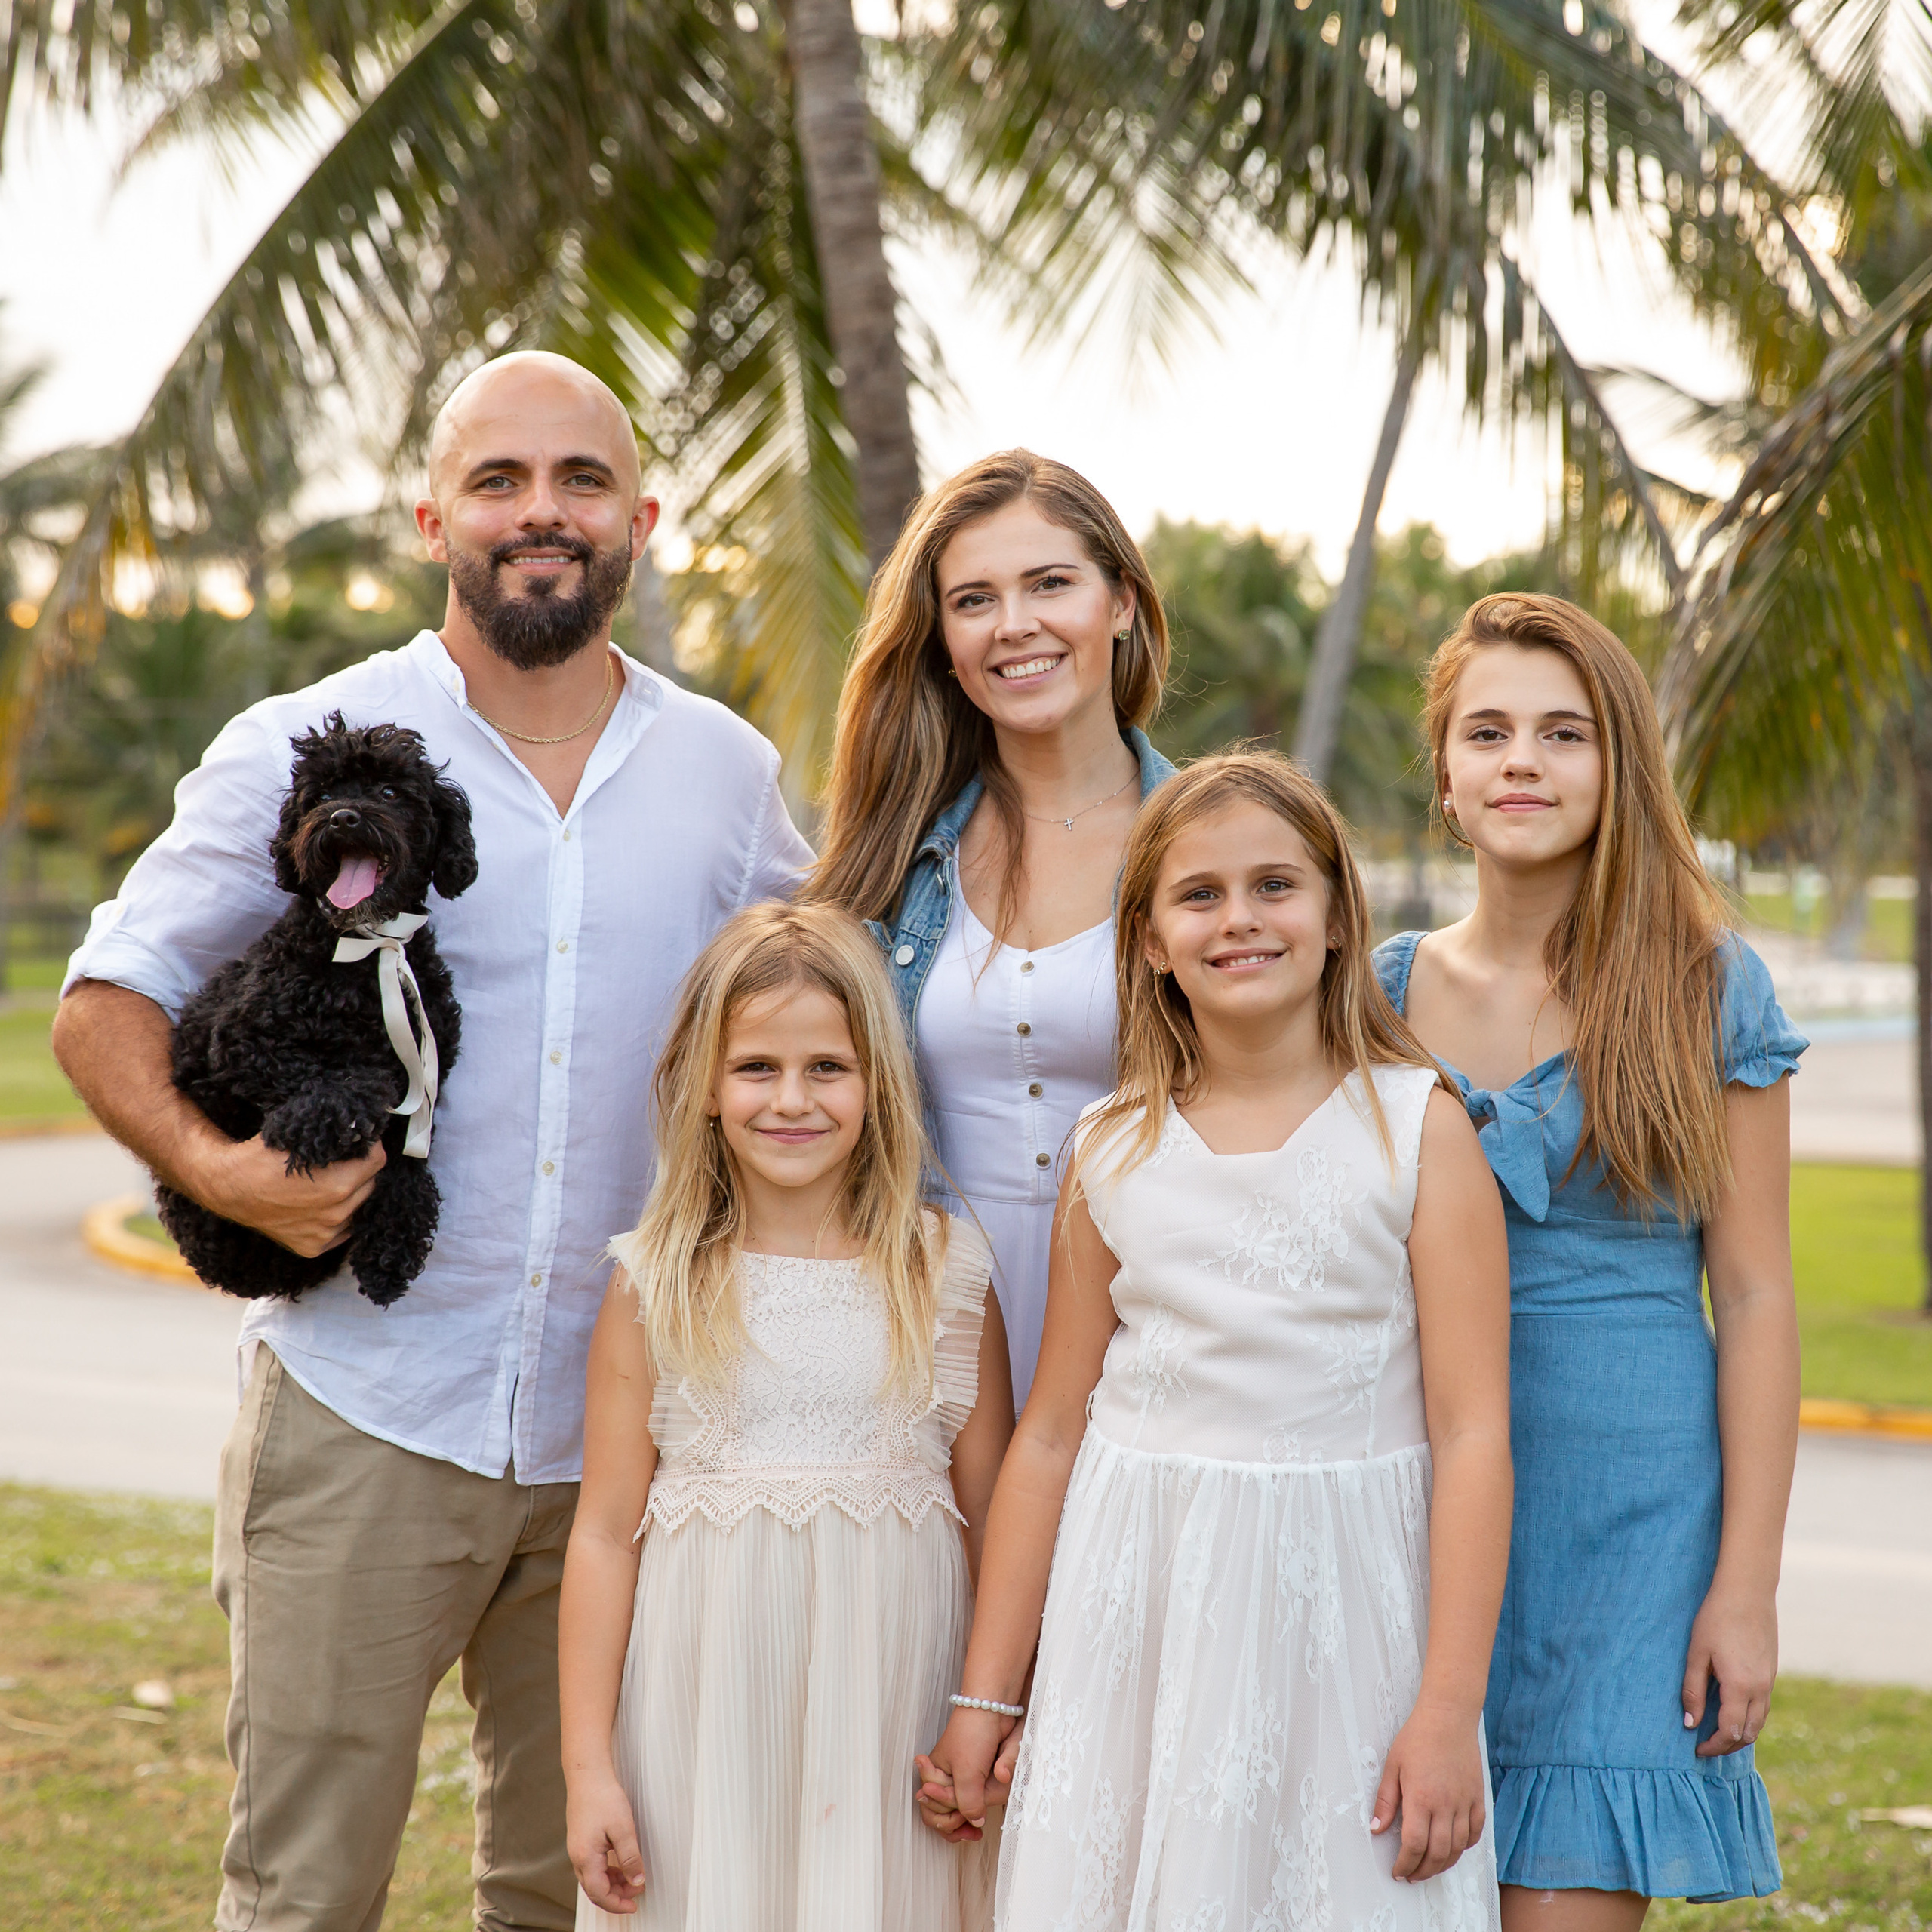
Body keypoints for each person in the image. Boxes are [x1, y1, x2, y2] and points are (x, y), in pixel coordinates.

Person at [51, 351, 813, 1932]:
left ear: (643, 519)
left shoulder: (729, 778)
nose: (542, 512)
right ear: (432, 517)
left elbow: (826, 1026)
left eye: (581, 480)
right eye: (500, 480)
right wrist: (220, 1171)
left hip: (625, 1441)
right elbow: (106, 999)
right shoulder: (306, 743)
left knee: (564, 1895)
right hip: (362, 1414)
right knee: (302, 1892)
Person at [921, 750, 1515, 1930]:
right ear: (1145, 939)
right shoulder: (1112, 1145)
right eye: (1198, 896)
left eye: (1274, 887)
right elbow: (1048, 1438)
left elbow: (1474, 1431)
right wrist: (985, 1698)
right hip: (1137, 1606)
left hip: (1340, 1617)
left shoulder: (1418, 1126)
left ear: (1339, 915)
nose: (1238, 920)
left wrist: (1447, 1708)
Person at [1372, 593, 1802, 1932]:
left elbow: (1756, 1295)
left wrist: (1745, 1588)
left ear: (1619, 765)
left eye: (1564, 734)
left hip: (1631, 1517)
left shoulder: (1706, 984)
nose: (1523, 762)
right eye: (1488, 731)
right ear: (1443, 773)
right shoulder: (1377, 996)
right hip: (1415, 1505)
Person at [558, 900, 1015, 1928]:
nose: (792, 1100)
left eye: (828, 1069)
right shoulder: (655, 1282)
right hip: (706, 1707)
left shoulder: (944, 1271)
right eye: (758, 1068)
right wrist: (589, 1768)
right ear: (707, 1088)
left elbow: (991, 1515)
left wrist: (993, 1710)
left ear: (877, 1084)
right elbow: (601, 1536)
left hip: (895, 1703)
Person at [809, 450, 1174, 1409]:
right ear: (941, 639)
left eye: (1051, 583)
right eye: (973, 599)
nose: (1015, 625)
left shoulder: (1210, 851)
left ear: (1122, 602)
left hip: (1162, 1332)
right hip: (922, 1341)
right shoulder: (890, 862)